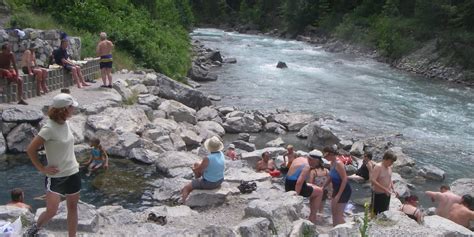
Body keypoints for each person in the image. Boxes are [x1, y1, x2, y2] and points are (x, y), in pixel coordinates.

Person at [25, 93, 81, 236]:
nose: (74, 109)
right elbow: (30, 150)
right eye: (71, 107)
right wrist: (42, 168)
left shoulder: (66, 124)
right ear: (64, 109)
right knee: (51, 211)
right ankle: (35, 228)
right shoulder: (48, 128)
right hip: (56, 176)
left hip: (73, 172)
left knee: (73, 208)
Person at [181, 136, 225, 203]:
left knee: (186, 188)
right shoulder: (221, 154)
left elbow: (198, 170)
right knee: (197, 164)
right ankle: (197, 181)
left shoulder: (208, 158)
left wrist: (194, 169)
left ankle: (183, 203)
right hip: (220, 180)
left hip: (210, 183)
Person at [284, 152, 323, 224]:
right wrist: (296, 197)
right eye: (317, 162)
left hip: (287, 183)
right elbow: (299, 182)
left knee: (314, 187)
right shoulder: (307, 166)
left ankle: (311, 214)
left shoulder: (299, 158)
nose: (317, 164)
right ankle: (312, 216)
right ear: (311, 159)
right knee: (320, 191)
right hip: (294, 186)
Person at [323, 146, 352, 226]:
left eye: (326, 156)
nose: (325, 158)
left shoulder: (339, 164)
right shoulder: (331, 163)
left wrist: (338, 195)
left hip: (344, 190)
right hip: (336, 188)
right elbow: (330, 176)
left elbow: (344, 179)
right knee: (334, 212)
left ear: (331, 154)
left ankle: (347, 231)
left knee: (339, 215)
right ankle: (334, 231)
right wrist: (323, 187)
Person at [371, 151, 397, 215]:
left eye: (393, 162)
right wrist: (384, 189)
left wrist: (393, 189)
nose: (392, 163)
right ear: (386, 159)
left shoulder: (390, 167)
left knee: (384, 210)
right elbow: (373, 180)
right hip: (378, 194)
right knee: (376, 212)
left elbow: (389, 178)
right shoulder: (378, 167)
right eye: (391, 161)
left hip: (387, 193)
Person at [308, 150, 330, 215]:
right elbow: (330, 182)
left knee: (313, 209)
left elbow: (310, 183)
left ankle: (313, 221)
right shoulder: (326, 170)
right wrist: (330, 192)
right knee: (321, 209)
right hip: (324, 191)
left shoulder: (313, 171)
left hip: (315, 191)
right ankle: (321, 220)